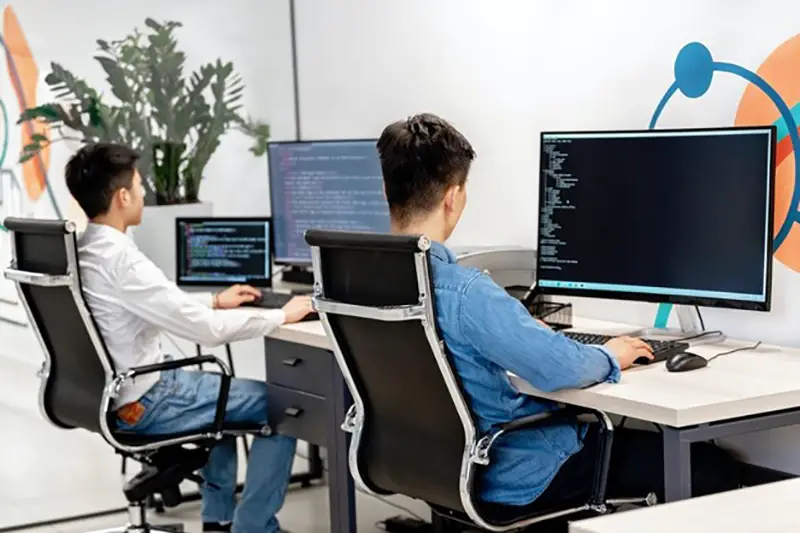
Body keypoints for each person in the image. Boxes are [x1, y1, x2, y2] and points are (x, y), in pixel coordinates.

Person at [375, 113, 740, 512]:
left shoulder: (362, 284)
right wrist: (610, 354)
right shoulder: (465, 293)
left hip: (429, 468)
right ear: (453, 196)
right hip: (515, 473)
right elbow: (557, 368)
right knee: (708, 467)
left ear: (385, 190)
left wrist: (521, 329)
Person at [65, 143, 312, 533]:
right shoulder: (122, 260)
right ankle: (254, 526)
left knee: (223, 400)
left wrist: (214, 299)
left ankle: (219, 521)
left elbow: (154, 303)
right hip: (148, 399)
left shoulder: (87, 251)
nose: (145, 192)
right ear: (122, 196)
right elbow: (205, 331)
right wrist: (282, 314)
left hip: (118, 395)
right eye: (140, 184)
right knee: (283, 406)